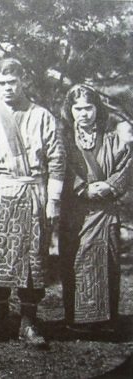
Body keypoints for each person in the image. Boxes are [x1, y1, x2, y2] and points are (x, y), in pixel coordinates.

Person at [0, 58, 66, 348]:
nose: (7, 88)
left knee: (32, 259)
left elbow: (57, 161)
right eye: (1, 83)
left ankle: (29, 322)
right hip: (0, 194)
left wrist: (53, 201)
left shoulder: (42, 116)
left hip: (32, 192)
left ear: (23, 80)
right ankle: (0, 320)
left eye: (12, 82)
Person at [59, 84, 132, 333]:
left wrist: (110, 186)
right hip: (76, 211)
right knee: (75, 260)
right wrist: (82, 188)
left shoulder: (112, 136)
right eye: (78, 108)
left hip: (105, 210)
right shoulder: (65, 139)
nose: (84, 114)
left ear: (96, 108)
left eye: (88, 107)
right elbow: (62, 168)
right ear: (70, 110)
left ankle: (106, 319)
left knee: (107, 262)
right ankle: (77, 318)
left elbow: (126, 164)